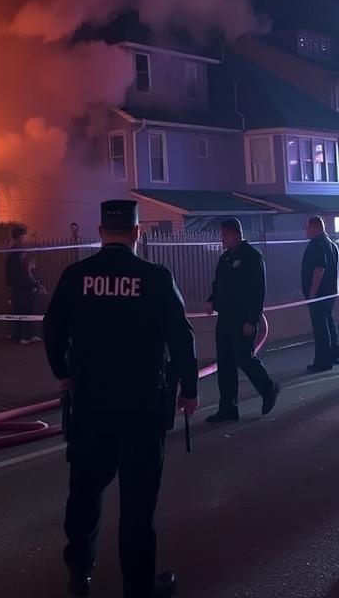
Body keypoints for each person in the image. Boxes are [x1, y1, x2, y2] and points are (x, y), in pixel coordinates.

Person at [44, 200, 198, 598]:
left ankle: (79, 573)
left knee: (85, 491)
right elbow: (181, 337)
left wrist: (62, 372)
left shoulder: (76, 276)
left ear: (99, 232)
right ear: (136, 233)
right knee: (137, 503)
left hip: (92, 405)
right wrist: (190, 389)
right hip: (143, 407)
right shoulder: (155, 277)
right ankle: (139, 586)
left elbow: (53, 328)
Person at [205, 218, 279, 422]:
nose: (222, 240)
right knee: (226, 363)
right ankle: (228, 407)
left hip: (242, 319)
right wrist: (212, 300)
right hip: (225, 318)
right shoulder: (226, 258)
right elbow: (218, 284)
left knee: (244, 358)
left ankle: (268, 388)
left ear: (236, 234)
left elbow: (257, 291)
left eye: (225, 235)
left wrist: (251, 320)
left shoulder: (252, 257)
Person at [302, 216, 339, 372]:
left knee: (320, 327)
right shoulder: (331, 244)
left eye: (307, 227)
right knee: (329, 323)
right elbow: (335, 271)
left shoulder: (316, 245)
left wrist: (312, 293)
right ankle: (334, 354)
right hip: (329, 292)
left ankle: (323, 360)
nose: (306, 230)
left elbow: (319, 269)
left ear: (314, 227)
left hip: (319, 294)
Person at [6, 225, 44, 344]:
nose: (24, 239)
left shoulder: (24, 254)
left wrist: (37, 283)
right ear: (16, 239)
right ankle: (22, 336)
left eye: (24, 237)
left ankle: (31, 334)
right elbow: (15, 274)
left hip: (28, 288)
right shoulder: (13, 256)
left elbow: (30, 270)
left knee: (30, 310)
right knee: (21, 310)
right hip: (20, 288)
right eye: (22, 237)